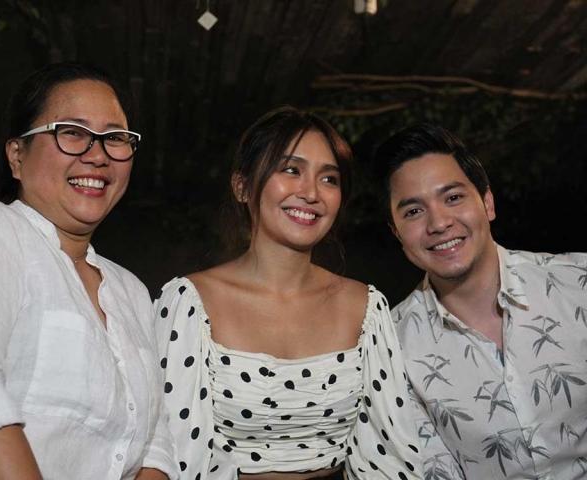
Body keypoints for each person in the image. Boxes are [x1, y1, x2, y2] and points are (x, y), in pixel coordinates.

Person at [154, 106, 422, 479]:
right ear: (242, 186)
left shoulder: (366, 308)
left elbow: (390, 457)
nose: (311, 192)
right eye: (291, 170)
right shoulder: (189, 303)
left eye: (329, 179)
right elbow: (170, 452)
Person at [0, 63, 176, 480]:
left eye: (115, 138)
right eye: (72, 132)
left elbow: (156, 443)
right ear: (17, 156)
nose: (98, 155)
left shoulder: (132, 291)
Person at [372, 123, 587, 479]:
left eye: (453, 198)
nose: (439, 223)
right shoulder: (393, 349)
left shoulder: (577, 283)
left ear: (487, 203)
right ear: (397, 233)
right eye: (413, 212)